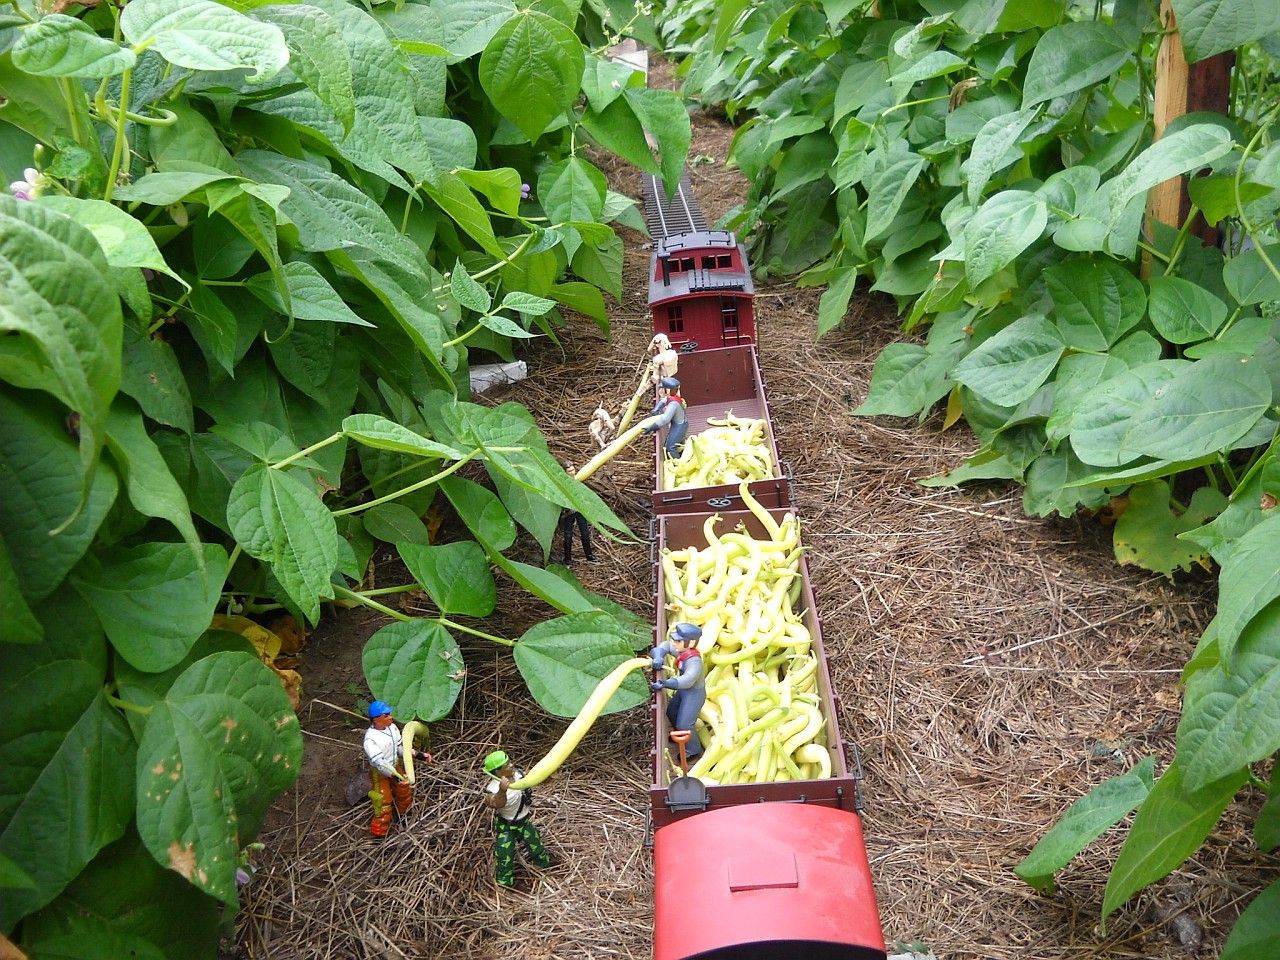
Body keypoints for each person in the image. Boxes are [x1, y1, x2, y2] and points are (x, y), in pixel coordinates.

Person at [482, 751, 552, 888]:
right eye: (506, 765)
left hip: (524, 822)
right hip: (507, 827)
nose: (511, 765)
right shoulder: (493, 788)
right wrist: (502, 790)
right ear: (497, 772)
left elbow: (533, 781)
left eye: (509, 761)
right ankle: (504, 884)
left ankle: (544, 867)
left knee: (536, 846)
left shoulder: (519, 775)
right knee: (504, 856)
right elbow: (495, 803)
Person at [362, 700, 431, 839]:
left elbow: (400, 748)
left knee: (404, 791)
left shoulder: (392, 728)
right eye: (386, 715)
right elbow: (379, 763)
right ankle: (380, 832)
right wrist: (395, 777)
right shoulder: (370, 740)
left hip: (395, 765)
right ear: (376, 719)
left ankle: (404, 816)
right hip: (380, 773)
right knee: (382, 801)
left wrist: (419, 755)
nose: (390, 717)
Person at [650, 622, 705, 761]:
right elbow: (665, 645)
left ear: (691, 643)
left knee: (685, 723)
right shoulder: (682, 652)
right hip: (683, 691)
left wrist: (666, 683)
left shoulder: (694, 662)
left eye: (678, 641)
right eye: (675, 640)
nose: (674, 643)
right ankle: (681, 736)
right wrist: (658, 655)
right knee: (672, 712)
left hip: (694, 694)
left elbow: (688, 680)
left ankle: (693, 749)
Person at [643, 376, 688, 459]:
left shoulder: (673, 405)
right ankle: (684, 454)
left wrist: (652, 427)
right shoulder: (673, 398)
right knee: (678, 443)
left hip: (679, 426)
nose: (661, 390)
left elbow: (665, 419)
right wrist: (656, 409)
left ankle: (678, 464)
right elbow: (663, 401)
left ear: (667, 390)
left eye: (662, 388)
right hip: (679, 423)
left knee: (670, 447)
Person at [560, 462, 596, 564]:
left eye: (573, 470)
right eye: (569, 471)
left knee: (585, 533)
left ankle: (589, 556)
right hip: (568, 512)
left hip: (580, 510)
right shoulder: (562, 483)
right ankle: (567, 559)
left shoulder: (578, 479)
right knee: (568, 536)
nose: (572, 472)